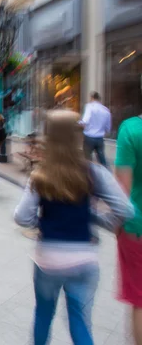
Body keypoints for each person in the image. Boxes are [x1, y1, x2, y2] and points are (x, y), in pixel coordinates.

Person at [14, 110, 133, 345]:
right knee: (79, 322)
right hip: (84, 260)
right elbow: (125, 210)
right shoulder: (94, 172)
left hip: (48, 259)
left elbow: (21, 217)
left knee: (43, 315)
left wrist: (41, 224)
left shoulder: (41, 174)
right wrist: (97, 219)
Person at [114, 114, 142, 344]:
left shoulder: (131, 130)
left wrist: (116, 225)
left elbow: (121, 189)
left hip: (137, 227)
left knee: (140, 301)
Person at [81, 91, 111, 168]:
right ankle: (106, 175)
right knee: (102, 160)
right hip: (100, 138)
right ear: (99, 99)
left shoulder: (89, 107)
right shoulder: (106, 110)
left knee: (87, 159)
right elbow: (108, 128)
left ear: (92, 98)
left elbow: (85, 120)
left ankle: (88, 177)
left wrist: (78, 123)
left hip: (89, 137)